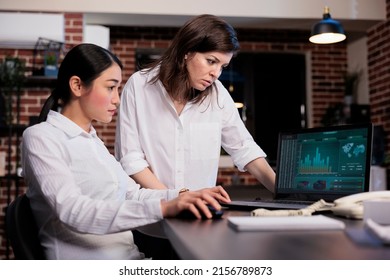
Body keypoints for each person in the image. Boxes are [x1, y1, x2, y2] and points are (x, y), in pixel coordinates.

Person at [20, 43, 230, 260]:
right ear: (77, 85)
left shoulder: (93, 142)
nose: (117, 99)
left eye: (118, 89)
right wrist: (163, 208)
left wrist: (185, 196)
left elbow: (133, 194)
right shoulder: (41, 137)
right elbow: (74, 211)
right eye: (111, 87)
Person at [115, 14, 276, 193]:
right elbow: (130, 159)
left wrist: (283, 192)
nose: (216, 73)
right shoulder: (139, 86)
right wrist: (175, 199)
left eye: (222, 66)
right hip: (148, 209)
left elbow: (244, 148)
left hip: (199, 212)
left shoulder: (218, 94)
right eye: (211, 61)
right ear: (187, 52)